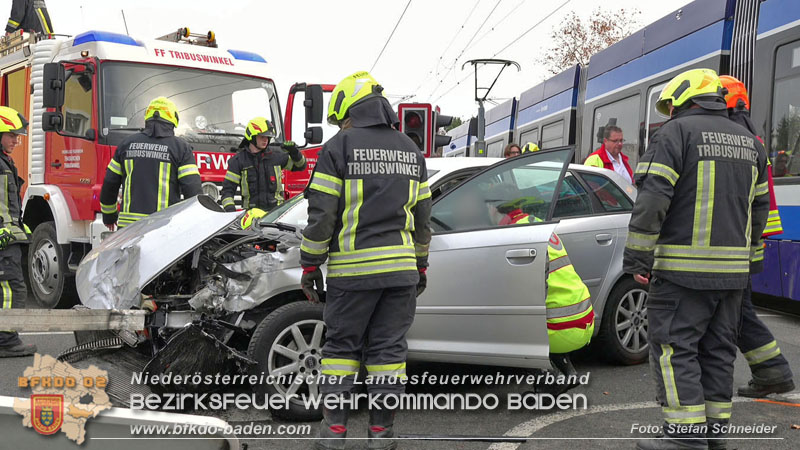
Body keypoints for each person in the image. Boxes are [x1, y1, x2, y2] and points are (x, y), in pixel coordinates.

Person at [624, 68, 770, 450]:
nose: (669, 112)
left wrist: (637, 258)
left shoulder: (674, 134)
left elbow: (653, 198)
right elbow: (759, 209)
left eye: (671, 106)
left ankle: (685, 439)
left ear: (684, 99)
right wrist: (750, 263)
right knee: (719, 352)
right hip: (733, 276)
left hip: (682, 272)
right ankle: (714, 434)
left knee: (675, 348)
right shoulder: (751, 143)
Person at [300, 71, 431, 450]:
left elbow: (322, 215)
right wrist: (420, 265)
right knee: (388, 353)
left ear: (347, 108)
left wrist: (310, 264)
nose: (341, 125)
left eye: (341, 118)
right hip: (401, 272)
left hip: (353, 274)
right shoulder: (410, 148)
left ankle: (334, 436)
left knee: (341, 351)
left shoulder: (339, 146)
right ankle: (381, 437)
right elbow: (423, 218)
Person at [719, 75, 795, 398]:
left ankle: (774, 371)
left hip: (737, 242)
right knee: (738, 311)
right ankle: (772, 371)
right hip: (749, 241)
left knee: (739, 313)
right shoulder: (754, 138)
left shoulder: (736, 139)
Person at [486, 184, 594, 392]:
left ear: (494, 208)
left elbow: (529, 293)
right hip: (584, 317)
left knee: (513, 318)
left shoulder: (514, 234)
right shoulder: (534, 223)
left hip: (563, 328)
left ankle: (549, 380)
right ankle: (568, 371)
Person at [100, 97, 202, 228]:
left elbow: (110, 184)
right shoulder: (181, 148)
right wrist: (197, 222)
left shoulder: (126, 144)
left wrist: (109, 216)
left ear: (147, 118)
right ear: (173, 119)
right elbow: (192, 189)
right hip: (163, 230)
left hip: (128, 231)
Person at [0, 106, 36, 358]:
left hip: (8, 236)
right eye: (12, 134)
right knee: (11, 289)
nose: (16, 140)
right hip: (3, 240)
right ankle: (6, 341)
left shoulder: (4, 162)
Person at [220, 117, 306, 212]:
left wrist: (295, 152)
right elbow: (227, 191)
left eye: (268, 137)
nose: (265, 140)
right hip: (251, 216)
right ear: (251, 136)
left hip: (275, 214)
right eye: (262, 137)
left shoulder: (276, 156)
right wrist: (231, 211)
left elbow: (301, 166)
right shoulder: (238, 161)